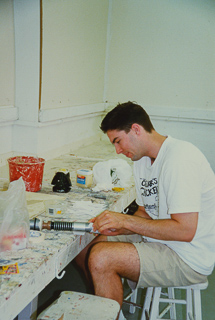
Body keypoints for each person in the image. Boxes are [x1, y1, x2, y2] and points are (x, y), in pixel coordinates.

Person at [75, 101, 215, 314]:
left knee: (102, 257)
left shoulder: (180, 159)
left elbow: (186, 231)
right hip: (161, 240)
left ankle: (107, 308)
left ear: (136, 129)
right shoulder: (142, 161)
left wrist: (125, 220)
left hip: (188, 256)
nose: (118, 150)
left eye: (118, 141)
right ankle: (111, 311)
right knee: (84, 248)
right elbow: (146, 213)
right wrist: (116, 227)